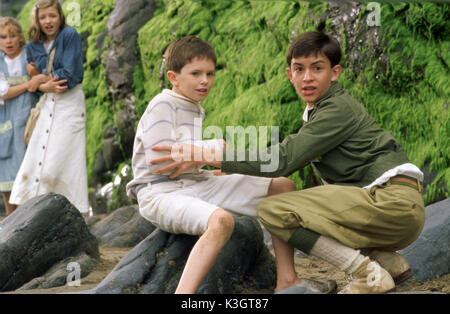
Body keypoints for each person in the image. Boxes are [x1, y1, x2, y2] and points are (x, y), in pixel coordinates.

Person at [150, 31, 425, 294]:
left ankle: (366, 273)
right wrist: (229, 164)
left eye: (317, 68)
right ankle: (386, 261)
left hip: (391, 204)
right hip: (382, 206)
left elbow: (283, 159)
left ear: (335, 72)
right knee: (295, 198)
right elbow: (287, 156)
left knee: (274, 210)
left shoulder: (337, 110)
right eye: (299, 69)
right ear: (289, 74)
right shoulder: (320, 109)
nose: (307, 78)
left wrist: (208, 155)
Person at [125, 35, 329, 294]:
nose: (204, 81)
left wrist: (205, 159)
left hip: (196, 183)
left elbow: (185, 158)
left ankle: (287, 280)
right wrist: (211, 149)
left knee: (284, 187)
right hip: (160, 192)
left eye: (210, 74)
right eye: (195, 73)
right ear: (173, 77)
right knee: (221, 221)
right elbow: (159, 164)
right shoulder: (162, 104)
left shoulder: (194, 107)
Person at [10, 0, 89, 214]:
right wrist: (41, 83)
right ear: (36, 19)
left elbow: (68, 77)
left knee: (64, 158)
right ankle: (35, 209)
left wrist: (39, 80)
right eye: (43, 17)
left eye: (52, 16)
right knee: (39, 155)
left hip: (70, 105)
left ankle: (69, 210)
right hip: (47, 104)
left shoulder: (69, 35)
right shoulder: (33, 45)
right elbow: (36, 86)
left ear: (60, 16)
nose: (48, 21)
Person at [0, 17, 43, 216]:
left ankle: (31, 212)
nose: (8, 41)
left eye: (12, 36)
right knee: (6, 166)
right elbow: (4, 92)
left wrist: (35, 75)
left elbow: (41, 77)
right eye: (2, 37)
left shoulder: (28, 55)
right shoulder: (0, 63)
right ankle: (10, 215)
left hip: (29, 116)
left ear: (20, 37)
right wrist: (27, 84)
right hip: (5, 118)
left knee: (29, 161)